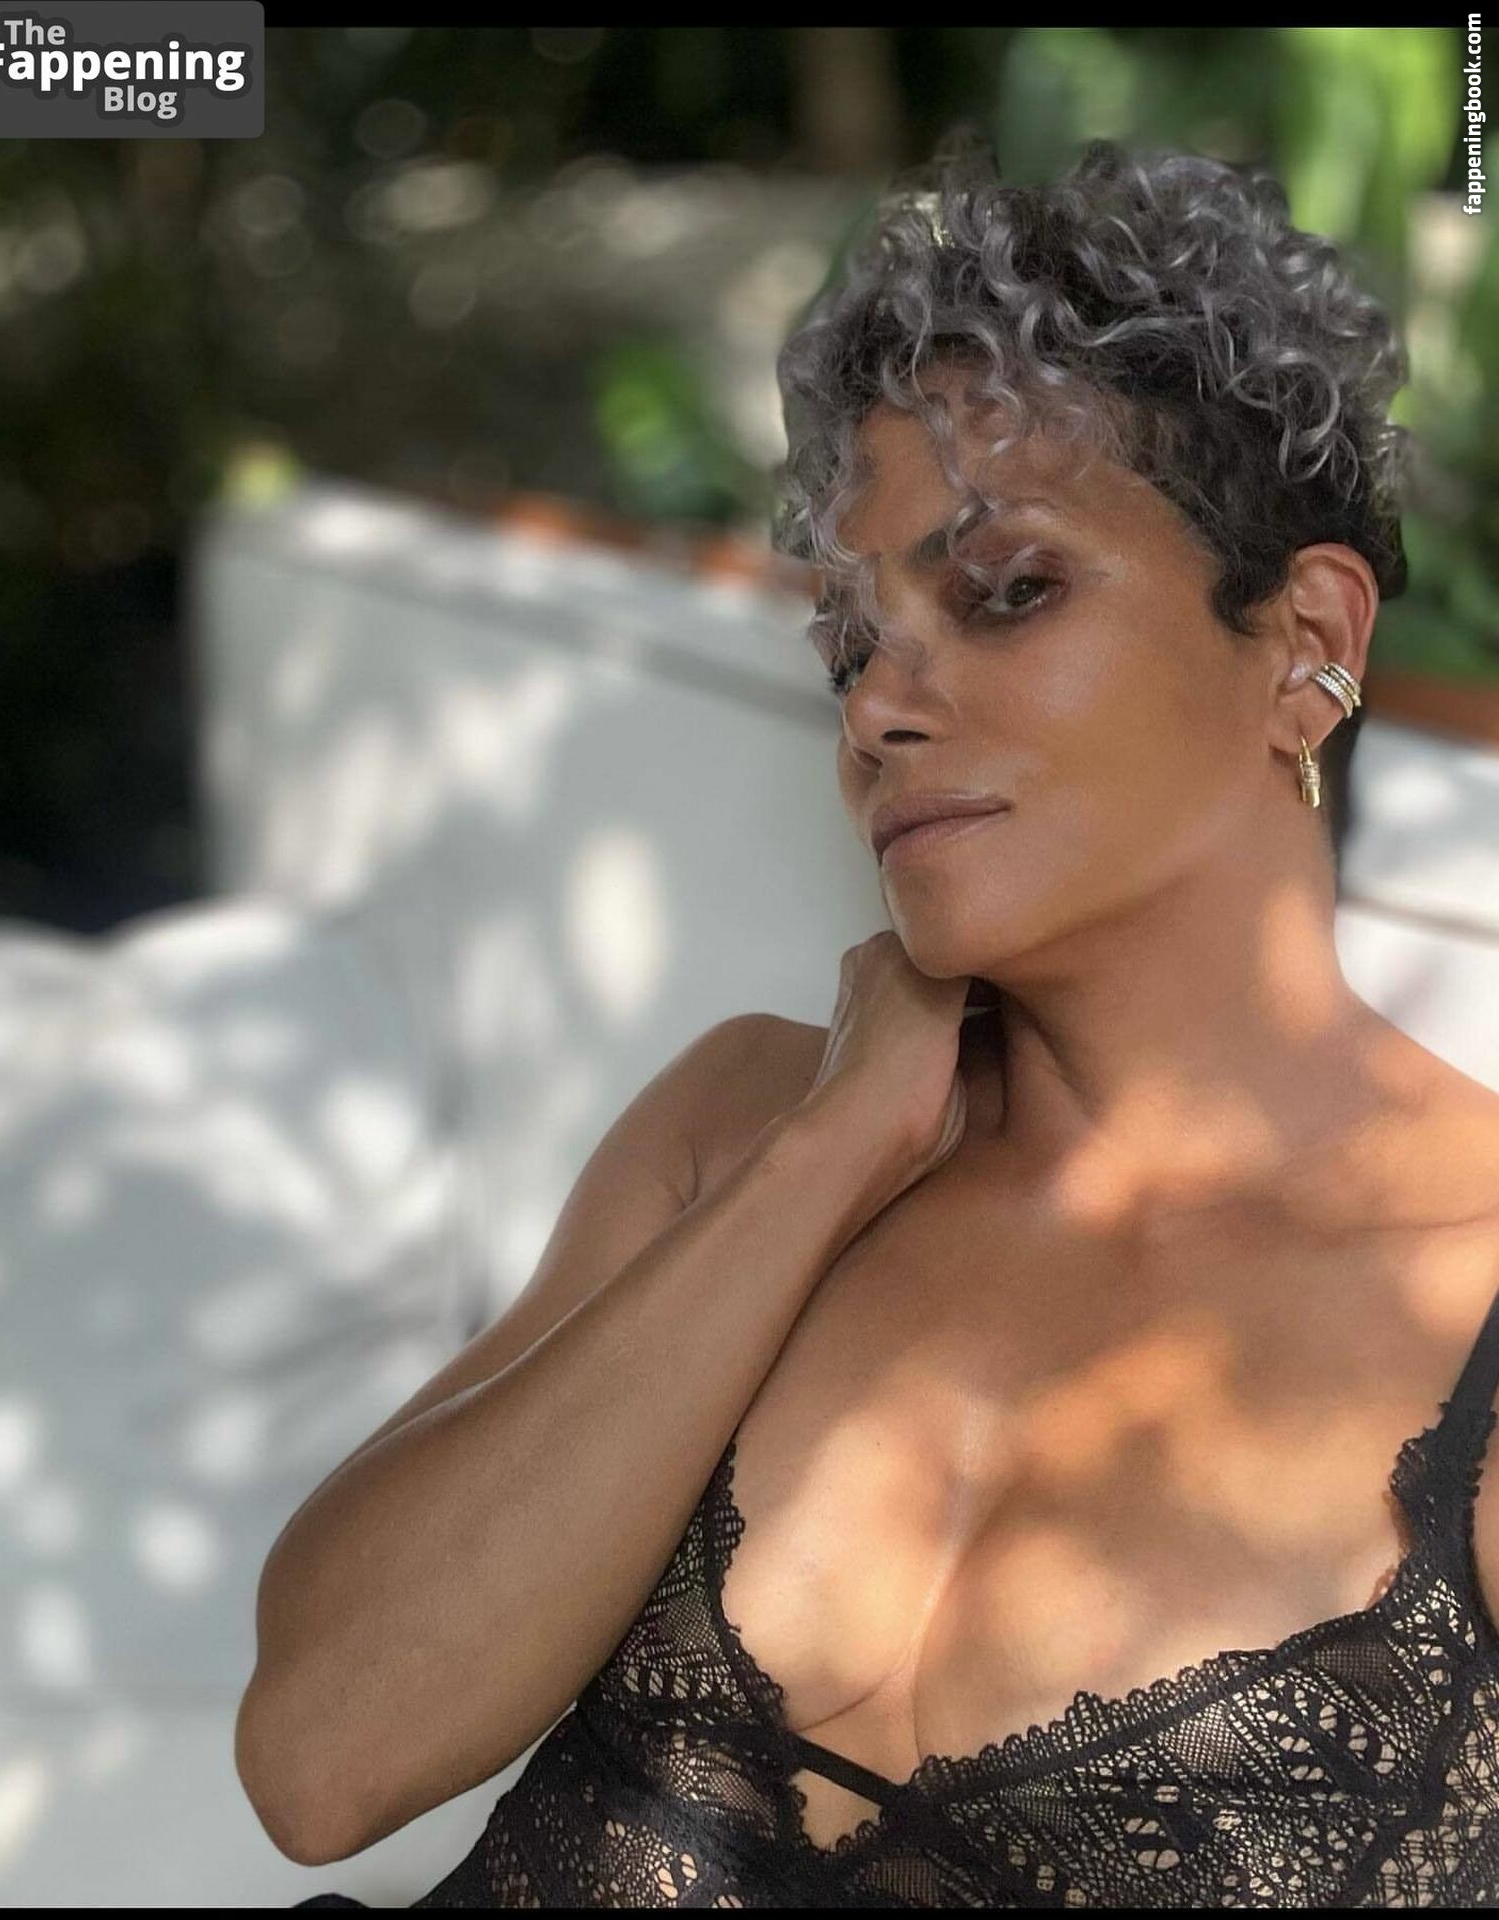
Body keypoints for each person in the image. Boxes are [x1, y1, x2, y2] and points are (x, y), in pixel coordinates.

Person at [250, 131, 1499, 1907]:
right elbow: (322, 1757)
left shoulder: (1470, 1302)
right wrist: (828, 1155)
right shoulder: (745, 1126)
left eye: (1006, 591)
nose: (877, 710)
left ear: (1306, 641)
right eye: (851, 641)